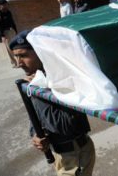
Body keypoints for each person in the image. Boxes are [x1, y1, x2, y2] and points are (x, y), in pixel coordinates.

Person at [10, 30, 96, 176]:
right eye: (16, 57)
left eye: (23, 55)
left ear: (40, 52)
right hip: (61, 156)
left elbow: (63, 125)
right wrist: (36, 135)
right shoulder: (36, 79)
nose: (18, 63)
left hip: (76, 156)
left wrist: (39, 91)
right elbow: (35, 116)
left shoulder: (62, 78)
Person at [0, 0, 17, 67]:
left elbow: (12, 22)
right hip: (5, 32)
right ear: (0, 5)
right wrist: (2, 35)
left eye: (6, 4)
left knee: (15, 46)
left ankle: (18, 60)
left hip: (12, 31)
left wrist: (15, 31)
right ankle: (14, 62)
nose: (5, 6)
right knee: (9, 48)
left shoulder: (8, 12)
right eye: (4, 5)